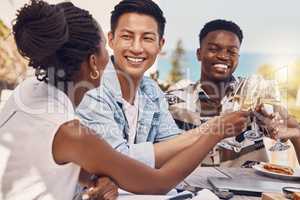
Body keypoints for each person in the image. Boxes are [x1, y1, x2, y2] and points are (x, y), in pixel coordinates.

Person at [0, 1, 249, 199]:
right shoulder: (70, 131)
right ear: (93, 64)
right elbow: (158, 183)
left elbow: (50, 160)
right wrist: (215, 131)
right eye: (104, 51)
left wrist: (97, 178)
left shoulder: (29, 91)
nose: (111, 58)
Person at [76, 0, 248, 169]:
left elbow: (174, 145)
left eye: (147, 38)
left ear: (160, 45)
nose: (136, 48)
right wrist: (212, 129)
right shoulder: (92, 89)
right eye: (127, 37)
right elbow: (116, 161)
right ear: (111, 40)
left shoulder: (151, 91)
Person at [166, 19, 270, 167]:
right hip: (191, 189)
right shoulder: (172, 103)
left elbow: (282, 130)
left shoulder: (256, 99)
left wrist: (292, 133)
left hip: (246, 189)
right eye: (214, 49)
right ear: (199, 54)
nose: (223, 56)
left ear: (238, 58)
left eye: (231, 51)